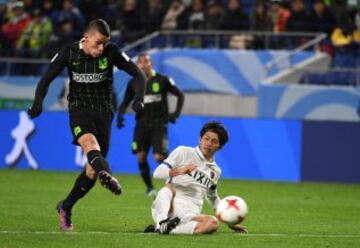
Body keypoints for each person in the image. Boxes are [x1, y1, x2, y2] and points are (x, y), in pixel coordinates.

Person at [27, 19, 146, 231]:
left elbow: (139, 74)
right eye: (98, 43)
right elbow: (46, 79)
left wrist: (138, 98)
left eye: (105, 44)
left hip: (104, 112)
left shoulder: (112, 52)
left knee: (92, 170)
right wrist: (37, 103)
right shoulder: (68, 52)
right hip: (79, 109)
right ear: (87, 37)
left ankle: (66, 205)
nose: (101, 48)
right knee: (90, 144)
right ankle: (108, 176)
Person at [143, 121, 247, 234]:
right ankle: (161, 223)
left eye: (214, 141)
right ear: (200, 139)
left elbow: (213, 198)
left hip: (190, 214)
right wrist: (180, 170)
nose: (209, 143)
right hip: (168, 208)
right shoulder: (183, 152)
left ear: (219, 146)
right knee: (169, 187)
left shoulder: (215, 171)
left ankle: (168, 230)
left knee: (212, 223)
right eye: (206, 138)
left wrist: (230, 222)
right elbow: (157, 173)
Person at [116, 52, 184, 197]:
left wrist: (175, 114)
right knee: (141, 156)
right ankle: (149, 188)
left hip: (159, 124)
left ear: (151, 64)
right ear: (137, 65)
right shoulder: (134, 82)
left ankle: (174, 180)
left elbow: (180, 95)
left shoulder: (163, 80)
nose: (143, 64)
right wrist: (120, 116)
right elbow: (125, 103)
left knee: (159, 157)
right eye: (140, 62)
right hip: (141, 125)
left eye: (146, 61)